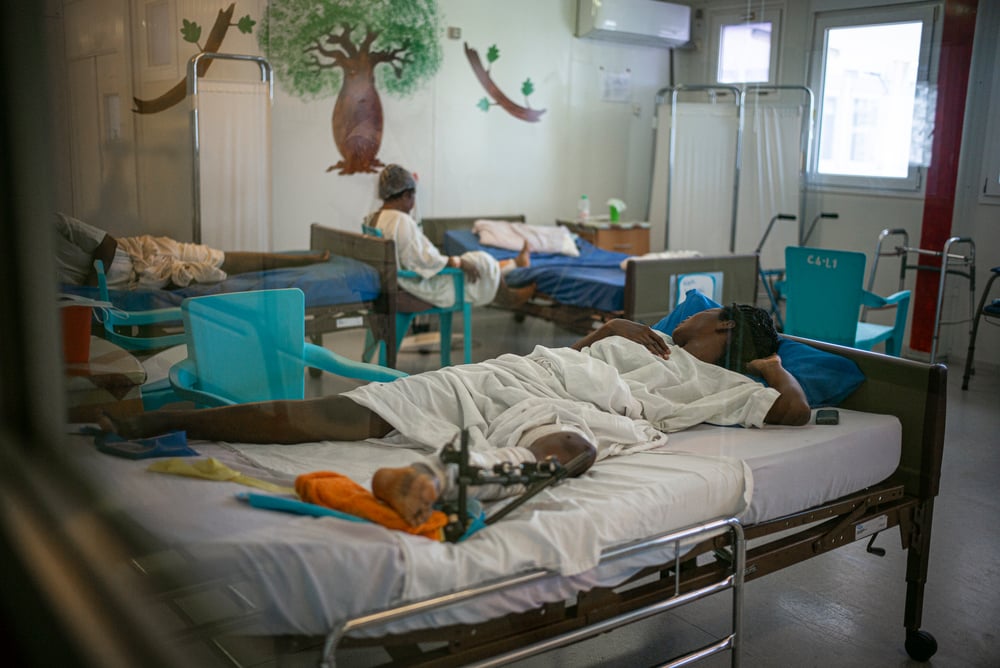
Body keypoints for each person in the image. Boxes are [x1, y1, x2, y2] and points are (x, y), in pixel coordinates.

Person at [100, 304, 810, 527]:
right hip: (509, 373)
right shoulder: (649, 334)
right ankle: (165, 421)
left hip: (568, 406)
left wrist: (770, 360)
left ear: (729, 339)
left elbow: (795, 413)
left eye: (712, 319)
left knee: (572, 448)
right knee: (346, 412)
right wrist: (616, 330)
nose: (696, 318)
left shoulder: (720, 380)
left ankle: (446, 484)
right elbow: (578, 346)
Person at [365, 164, 534, 309]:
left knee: (479, 261)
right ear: (406, 195)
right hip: (417, 285)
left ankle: (517, 263)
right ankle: (508, 297)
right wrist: (456, 262)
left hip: (396, 280)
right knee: (480, 260)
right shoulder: (400, 220)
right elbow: (421, 260)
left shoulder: (373, 218)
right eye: (412, 197)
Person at [55, 212, 330, 290]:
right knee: (217, 270)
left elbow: (106, 243)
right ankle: (307, 258)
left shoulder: (50, 223)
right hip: (139, 278)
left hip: (143, 252)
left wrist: (91, 288)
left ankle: (306, 258)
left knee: (225, 258)